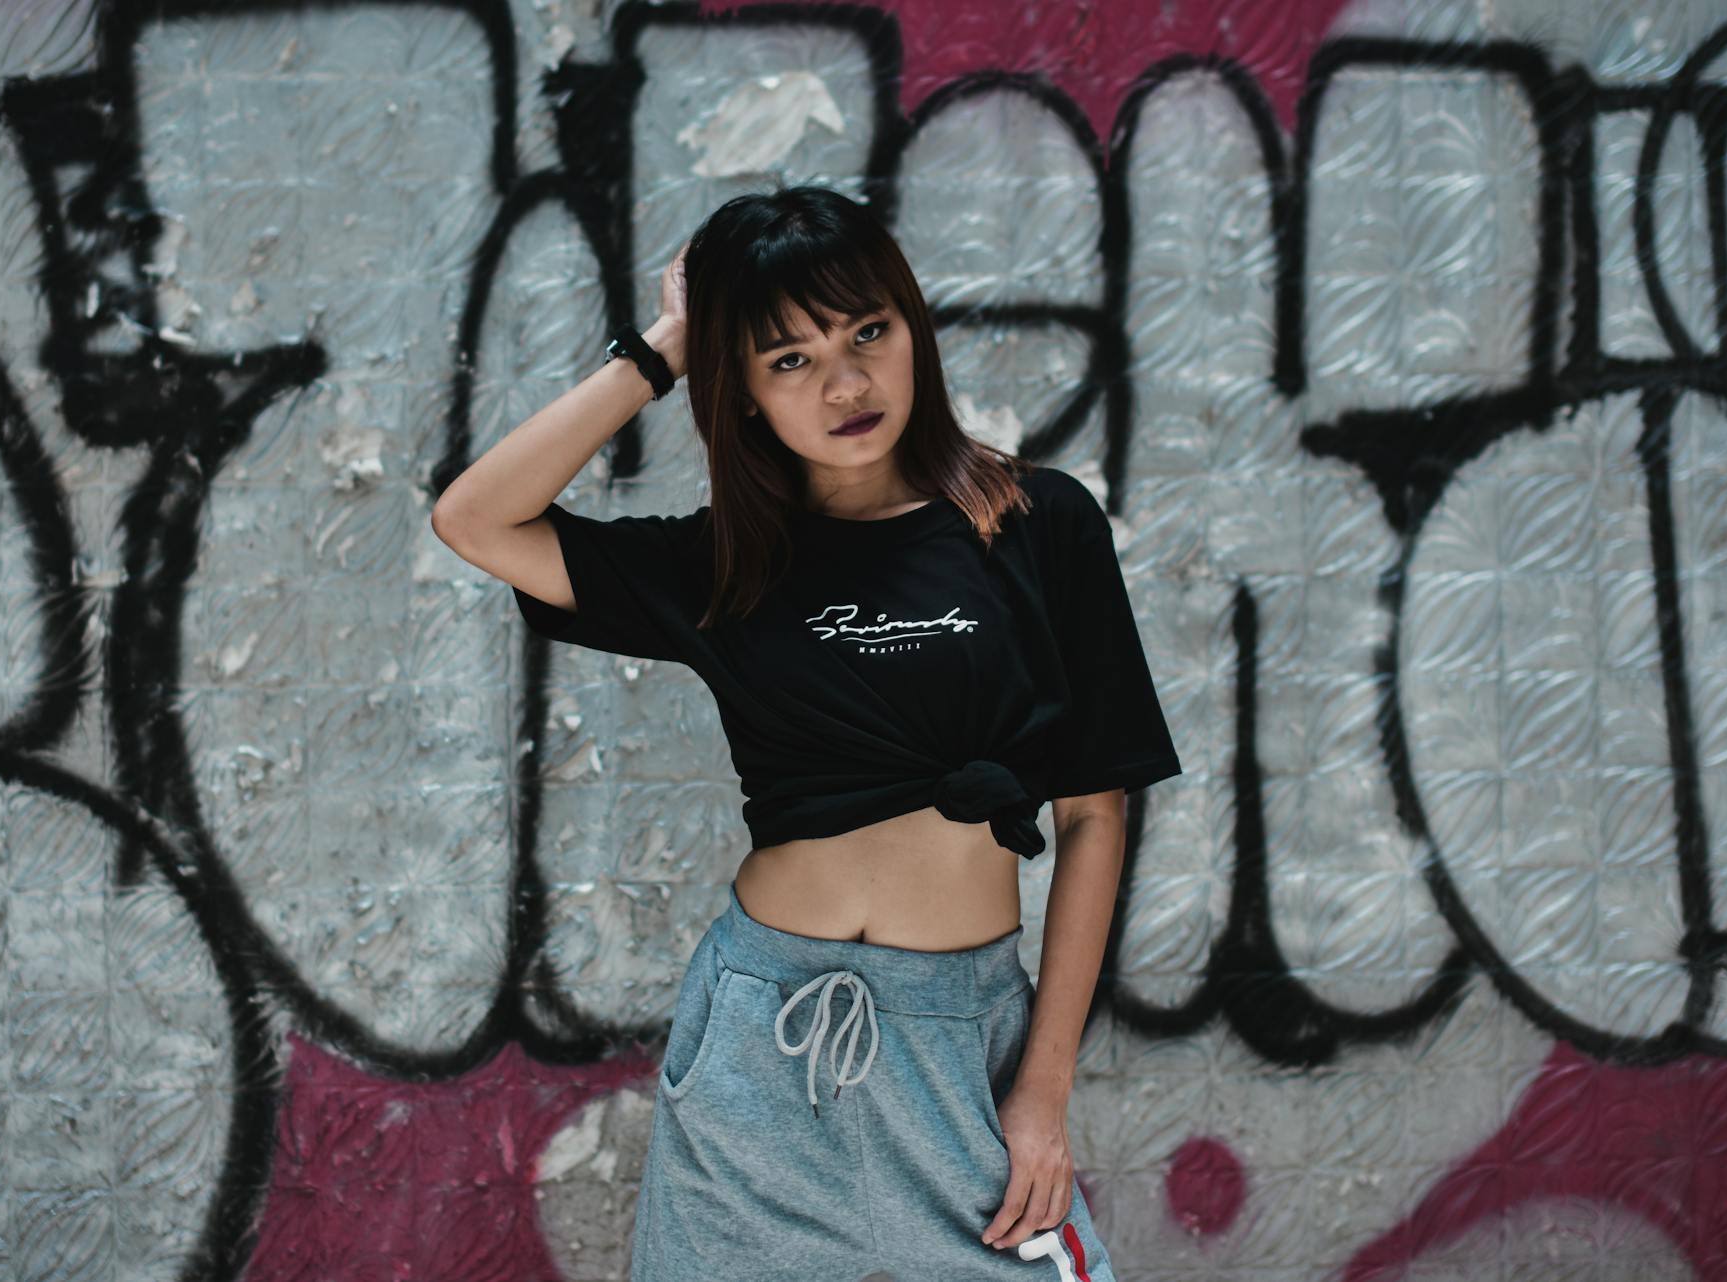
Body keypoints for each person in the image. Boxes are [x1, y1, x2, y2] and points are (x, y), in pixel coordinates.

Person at [431, 184, 1180, 1281]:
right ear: (740, 391)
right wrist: (672, 346)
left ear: (909, 329)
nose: (844, 382)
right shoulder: (725, 564)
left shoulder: (1037, 521)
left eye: (867, 332)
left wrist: (1044, 1092)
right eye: (786, 359)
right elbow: (474, 517)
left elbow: (1098, 813)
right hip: (763, 1039)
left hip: (955, 1045)